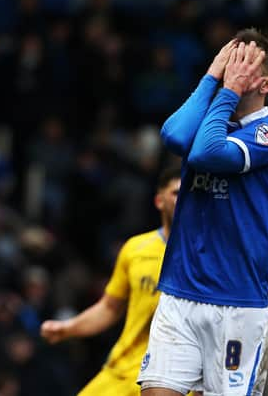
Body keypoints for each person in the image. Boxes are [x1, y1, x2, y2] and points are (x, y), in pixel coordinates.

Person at [138, 29, 268, 396]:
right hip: (180, 292)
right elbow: (175, 137)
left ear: (267, 83)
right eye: (231, 60)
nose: (234, 70)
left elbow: (206, 154)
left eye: (245, 65)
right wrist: (212, 76)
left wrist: (227, 92)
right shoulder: (212, 120)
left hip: (236, 304)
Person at [40, 169, 182, 396]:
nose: (182, 199)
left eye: (187, 194)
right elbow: (109, 307)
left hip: (175, 378)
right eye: (175, 193)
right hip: (123, 369)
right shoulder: (135, 249)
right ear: (159, 201)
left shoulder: (207, 253)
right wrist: (68, 328)